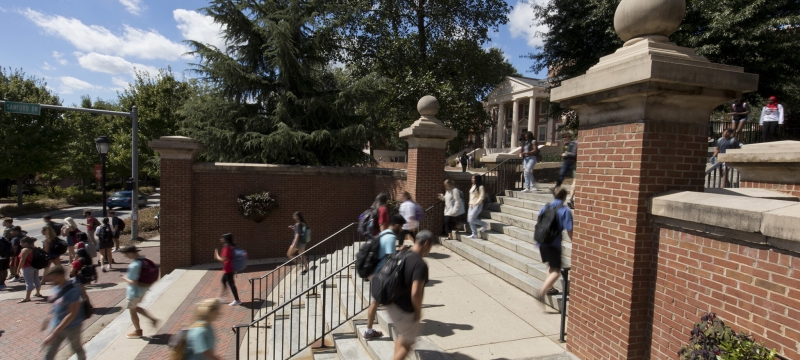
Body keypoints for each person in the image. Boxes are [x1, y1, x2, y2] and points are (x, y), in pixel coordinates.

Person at [387, 230, 434, 360]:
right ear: (426, 243)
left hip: (392, 303)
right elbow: (415, 293)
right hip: (405, 309)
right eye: (430, 246)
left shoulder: (403, 254)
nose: (429, 250)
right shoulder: (420, 264)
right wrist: (418, 312)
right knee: (408, 344)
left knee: (403, 337)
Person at [363, 215, 406, 340]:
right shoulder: (391, 237)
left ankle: (370, 330)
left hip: (376, 273)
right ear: (397, 225)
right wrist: (402, 251)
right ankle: (369, 331)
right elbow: (391, 258)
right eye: (401, 226)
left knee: (386, 300)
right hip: (382, 275)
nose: (402, 229)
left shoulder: (383, 234)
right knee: (376, 302)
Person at [537, 188, 573, 308]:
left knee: (551, 266)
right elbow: (569, 229)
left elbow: (539, 221)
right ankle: (542, 292)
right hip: (554, 244)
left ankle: (550, 288)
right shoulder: (564, 211)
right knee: (557, 272)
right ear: (563, 197)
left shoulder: (545, 207)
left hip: (542, 241)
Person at [42, 266, 86, 360]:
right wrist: (49, 318)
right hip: (56, 325)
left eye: (53, 277)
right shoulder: (55, 287)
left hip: (72, 327)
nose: (51, 280)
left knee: (77, 348)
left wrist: (53, 333)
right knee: (49, 353)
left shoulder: (73, 291)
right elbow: (55, 304)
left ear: (61, 276)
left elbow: (72, 314)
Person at [120, 245, 159, 339]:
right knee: (135, 307)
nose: (126, 257)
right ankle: (152, 319)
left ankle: (138, 331)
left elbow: (133, 282)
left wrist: (125, 278)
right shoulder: (145, 260)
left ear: (130, 253)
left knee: (132, 311)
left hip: (134, 292)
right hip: (143, 290)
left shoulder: (134, 265)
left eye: (126, 255)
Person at [214, 233, 241, 306]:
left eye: (222, 238)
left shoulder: (226, 247)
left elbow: (224, 259)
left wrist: (216, 255)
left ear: (225, 239)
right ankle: (221, 297)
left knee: (231, 284)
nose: (221, 239)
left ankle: (237, 300)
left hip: (228, 269)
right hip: (231, 268)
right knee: (223, 281)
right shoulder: (233, 246)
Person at [16, 237, 43, 302]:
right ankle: (38, 293)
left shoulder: (25, 250)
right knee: (36, 279)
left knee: (28, 282)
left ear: (25, 243)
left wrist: (18, 269)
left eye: (21, 242)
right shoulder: (34, 248)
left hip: (27, 268)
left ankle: (27, 297)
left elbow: (22, 261)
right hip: (35, 266)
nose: (20, 244)